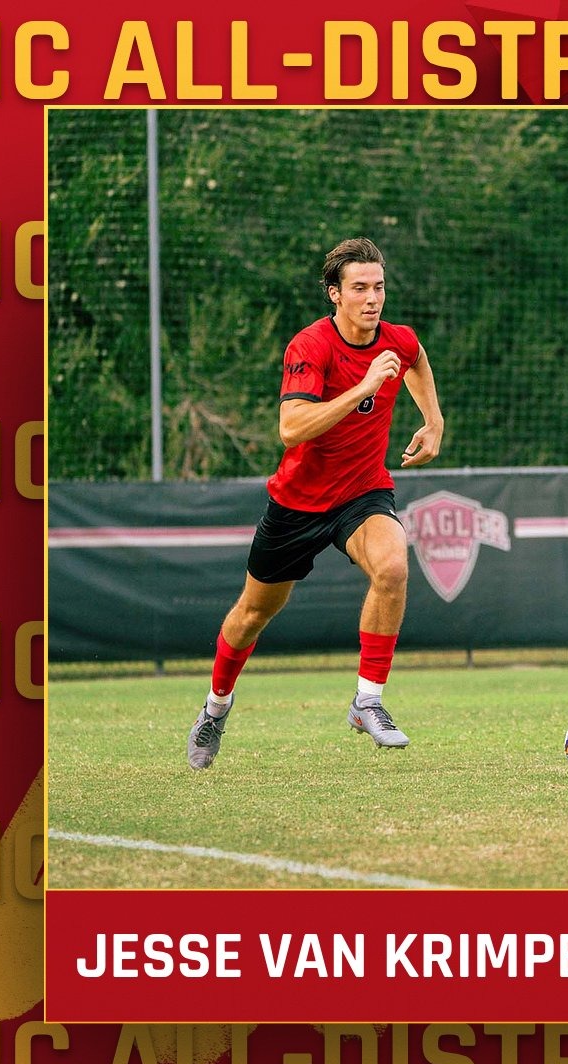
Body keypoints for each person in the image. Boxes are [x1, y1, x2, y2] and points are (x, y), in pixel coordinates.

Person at [187, 238, 445, 769]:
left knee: (393, 566)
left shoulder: (396, 339)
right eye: (359, 288)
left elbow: (415, 359)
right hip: (298, 504)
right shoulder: (311, 346)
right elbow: (291, 428)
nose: (372, 298)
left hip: (363, 494)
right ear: (335, 294)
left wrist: (434, 421)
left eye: (378, 287)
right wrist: (363, 387)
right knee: (252, 615)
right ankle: (215, 709)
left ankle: (367, 702)